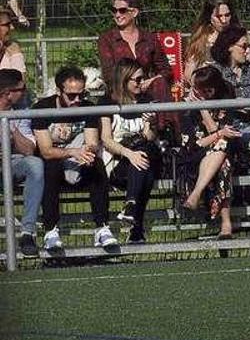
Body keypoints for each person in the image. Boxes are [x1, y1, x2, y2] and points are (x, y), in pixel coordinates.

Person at [31, 66, 114, 251]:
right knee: (50, 167)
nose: (77, 100)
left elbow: (92, 141)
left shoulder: (87, 108)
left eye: (80, 94)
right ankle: (50, 230)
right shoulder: (42, 109)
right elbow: (45, 150)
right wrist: (73, 151)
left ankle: (102, 227)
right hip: (55, 164)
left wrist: (87, 150)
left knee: (96, 165)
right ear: (59, 91)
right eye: (71, 95)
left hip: (77, 160)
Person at [99, 58, 161, 244]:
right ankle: (136, 226)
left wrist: (151, 123)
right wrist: (129, 154)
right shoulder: (107, 102)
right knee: (145, 168)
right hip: (118, 161)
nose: (142, 83)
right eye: (137, 79)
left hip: (141, 157)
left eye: (143, 78)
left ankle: (131, 205)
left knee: (144, 154)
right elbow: (106, 140)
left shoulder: (146, 100)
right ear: (124, 80)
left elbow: (149, 137)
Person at [179, 67, 239, 239]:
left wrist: (204, 109)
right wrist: (202, 108)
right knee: (222, 152)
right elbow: (194, 143)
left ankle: (195, 194)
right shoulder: (186, 104)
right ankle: (226, 222)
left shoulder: (226, 95)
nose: (194, 91)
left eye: (199, 88)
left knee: (223, 159)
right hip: (196, 153)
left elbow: (221, 128)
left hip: (222, 151)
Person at [98, 0, 173, 104]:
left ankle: (167, 122)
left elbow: (166, 70)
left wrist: (152, 80)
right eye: (114, 10)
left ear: (134, 12)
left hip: (145, 91)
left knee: (160, 84)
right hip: (120, 93)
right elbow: (109, 74)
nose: (117, 15)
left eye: (122, 10)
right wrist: (131, 83)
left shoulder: (149, 38)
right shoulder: (107, 39)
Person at [0, 69, 42, 256]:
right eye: (21, 89)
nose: (25, 92)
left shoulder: (21, 111)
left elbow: (28, 150)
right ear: (7, 93)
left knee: (35, 164)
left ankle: (27, 232)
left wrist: (11, 131)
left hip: (13, 162)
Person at [185, 0, 241, 87]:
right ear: (209, 17)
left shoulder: (239, 36)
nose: (224, 20)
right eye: (219, 16)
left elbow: (249, 67)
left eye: (227, 15)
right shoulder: (201, 40)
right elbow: (188, 74)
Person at [210, 24, 250, 99]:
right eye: (243, 47)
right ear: (229, 46)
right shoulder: (215, 72)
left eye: (248, 47)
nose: (247, 51)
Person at [0, 10, 25, 76]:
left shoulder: (13, 49)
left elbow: (20, 81)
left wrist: (15, 56)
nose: (12, 28)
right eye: (7, 24)